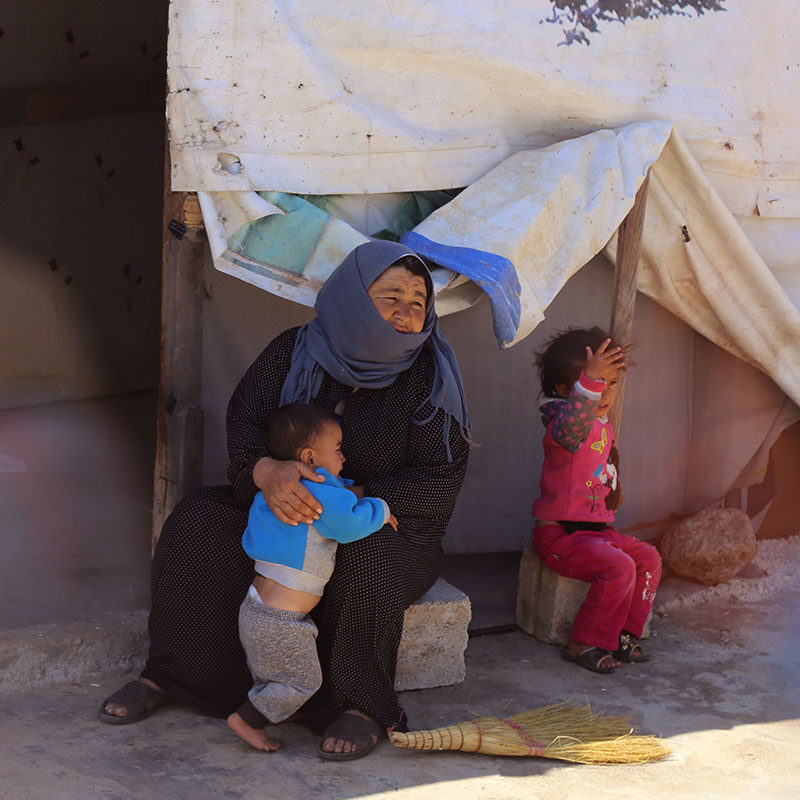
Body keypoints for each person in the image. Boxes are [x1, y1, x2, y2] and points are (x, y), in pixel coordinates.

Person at [98, 240, 471, 760]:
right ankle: (174, 675)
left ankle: (358, 704)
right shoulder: (293, 348)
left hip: (383, 518)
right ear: (354, 298)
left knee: (367, 557)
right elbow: (246, 421)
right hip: (282, 503)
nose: (407, 312)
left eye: (417, 301)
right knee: (201, 521)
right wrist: (265, 469)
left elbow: (442, 472)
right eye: (391, 296)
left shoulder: (430, 374)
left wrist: (354, 500)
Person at [228, 402, 397, 752]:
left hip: (256, 608)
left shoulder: (272, 493)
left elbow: (337, 491)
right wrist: (380, 510)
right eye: (337, 450)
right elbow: (348, 524)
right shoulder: (317, 494)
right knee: (303, 681)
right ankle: (248, 720)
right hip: (282, 620)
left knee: (273, 673)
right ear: (308, 457)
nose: (344, 457)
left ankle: (272, 711)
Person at [531, 327, 661, 675]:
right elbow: (574, 425)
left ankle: (623, 634)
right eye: (592, 382)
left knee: (648, 558)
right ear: (564, 390)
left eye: (612, 382)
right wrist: (590, 381)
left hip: (598, 533)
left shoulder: (601, 422)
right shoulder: (563, 422)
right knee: (618, 567)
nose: (604, 391)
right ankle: (583, 641)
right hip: (562, 536)